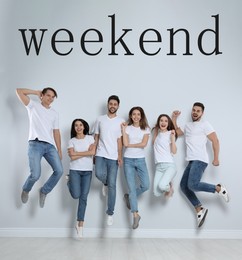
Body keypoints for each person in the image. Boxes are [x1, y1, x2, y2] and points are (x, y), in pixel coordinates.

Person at [172, 102, 229, 228]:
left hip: (200, 159)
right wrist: (174, 119)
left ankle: (219, 189)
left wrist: (216, 158)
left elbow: (215, 140)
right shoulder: (187, 126)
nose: (195, 112)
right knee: (183, 186)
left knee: (193, 185)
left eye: (198, 111)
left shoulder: (205, 125)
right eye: (193, 110)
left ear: (202, 113)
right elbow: (177, 132)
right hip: (191, 160)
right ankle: (199, 209)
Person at [16, 88, 63, 208]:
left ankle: (44, 191)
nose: (50, 98)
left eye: (53, 97)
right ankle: (26, 189)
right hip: (35, 144)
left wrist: (59, 149)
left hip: (50, 146)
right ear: (42, 95)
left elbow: (56, 132)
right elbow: (18, 91)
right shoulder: (33, 106)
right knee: (35, 175)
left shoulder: (55, 113)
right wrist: (35, 92)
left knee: (59, 171)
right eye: (48, 95)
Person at [93, 95, 125, 226]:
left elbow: (120, 141)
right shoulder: (100, 119)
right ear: (107, 105)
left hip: (113, 156)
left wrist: (119, 156)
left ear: (118, 106)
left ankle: (110, 213)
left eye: (115, 104)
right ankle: (105, 183)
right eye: (110, 104)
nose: (112, 106)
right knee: (98, 174)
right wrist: (93, 153)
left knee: (113, 185)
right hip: (100, 153)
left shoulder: (121, 121)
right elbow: (96, 137)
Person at [121, 106, 150, 229]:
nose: (136, 116)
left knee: (146, 185)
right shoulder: (126, 128)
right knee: (132, 189)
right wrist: (123, 129)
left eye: (138, 114)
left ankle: (129, 197)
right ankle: (135, 215)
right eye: (134, 114)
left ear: (141, 116)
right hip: (128, 160)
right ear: (131, 116)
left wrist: (131, 145)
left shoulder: (146, 129)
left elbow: (144, 144)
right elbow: (125, 144)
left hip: (140, 160)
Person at [67, 118, 96, 239]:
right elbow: (71, 157)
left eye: (80, 125)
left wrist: (77, 153)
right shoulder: (71, 141)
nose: (78, 127)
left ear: (84, 127)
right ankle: (69, 181)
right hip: (74, 171)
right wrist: (86, 152)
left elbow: (92, 153)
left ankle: (80, 226)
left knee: (83, 198)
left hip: (87, 171)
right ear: (74, 128)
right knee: (75, 195)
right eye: (76, 125)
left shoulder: (90, 138)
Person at [152, 114, 177, 199]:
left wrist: (173, 139)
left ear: (168, 123)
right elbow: (153, 143)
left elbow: (174, 151)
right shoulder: (157, 134)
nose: (163, 122)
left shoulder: (170, 133)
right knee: (156, 193)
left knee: (162, 186)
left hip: (169, 165)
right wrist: (155, 129)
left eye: (166, 121)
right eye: (161, 120)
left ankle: (169, 188)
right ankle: (167, 184)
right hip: (159, 167)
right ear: (158, 122)